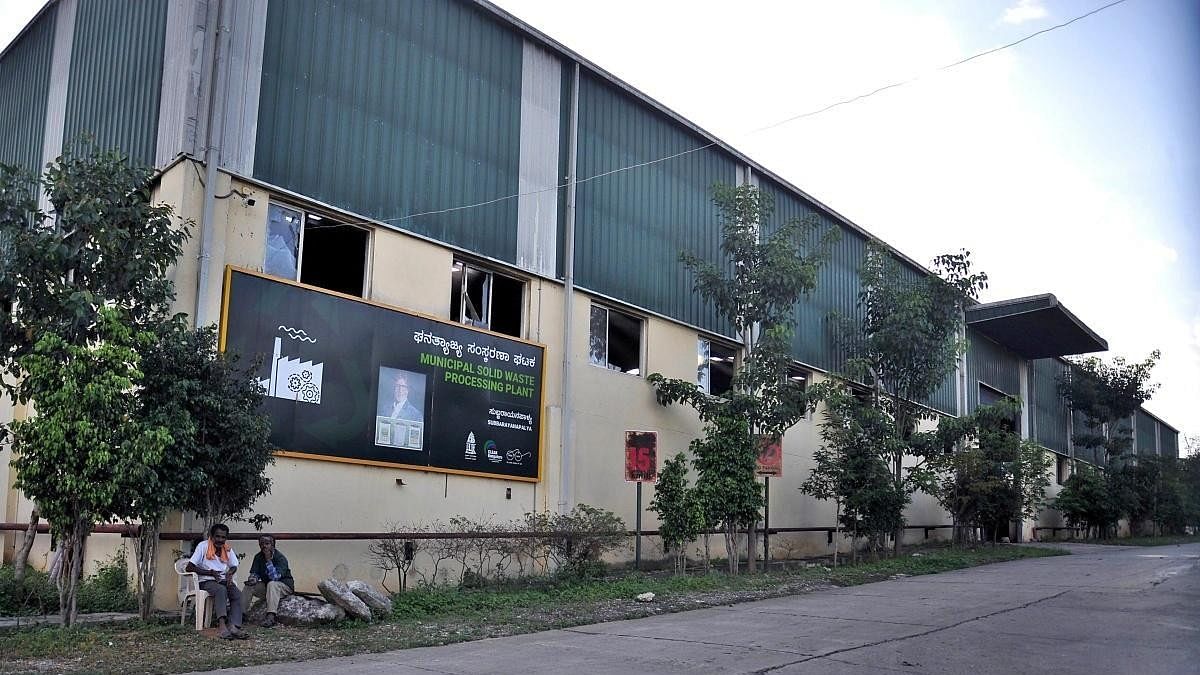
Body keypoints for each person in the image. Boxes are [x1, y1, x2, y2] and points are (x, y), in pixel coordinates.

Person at [187, 523, 247, 639]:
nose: (220, 540)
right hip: (206, 581)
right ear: (212, 536)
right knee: (221, 590)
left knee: (237, 594)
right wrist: (210, 572)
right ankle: (222, 626)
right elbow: (189, 567)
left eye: (223, 537)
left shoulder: (227, 549)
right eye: (217, 536)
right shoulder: (203, 546)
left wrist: (230, 572)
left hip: (222, 580)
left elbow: (234, 565)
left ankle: (234, 626)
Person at [241, 534, 295, 627]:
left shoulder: (280, 558)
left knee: (272, 584)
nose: (264, 546)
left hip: (284, 586)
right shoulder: (258, 557)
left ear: (273, 545)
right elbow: (254, 573)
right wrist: (252, 580)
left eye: (267, 543)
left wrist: (268, 560)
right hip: (269, 587)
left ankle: (271, 616)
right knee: (249, 587)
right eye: (262, 544)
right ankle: (240, 614)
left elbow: (275, 577)